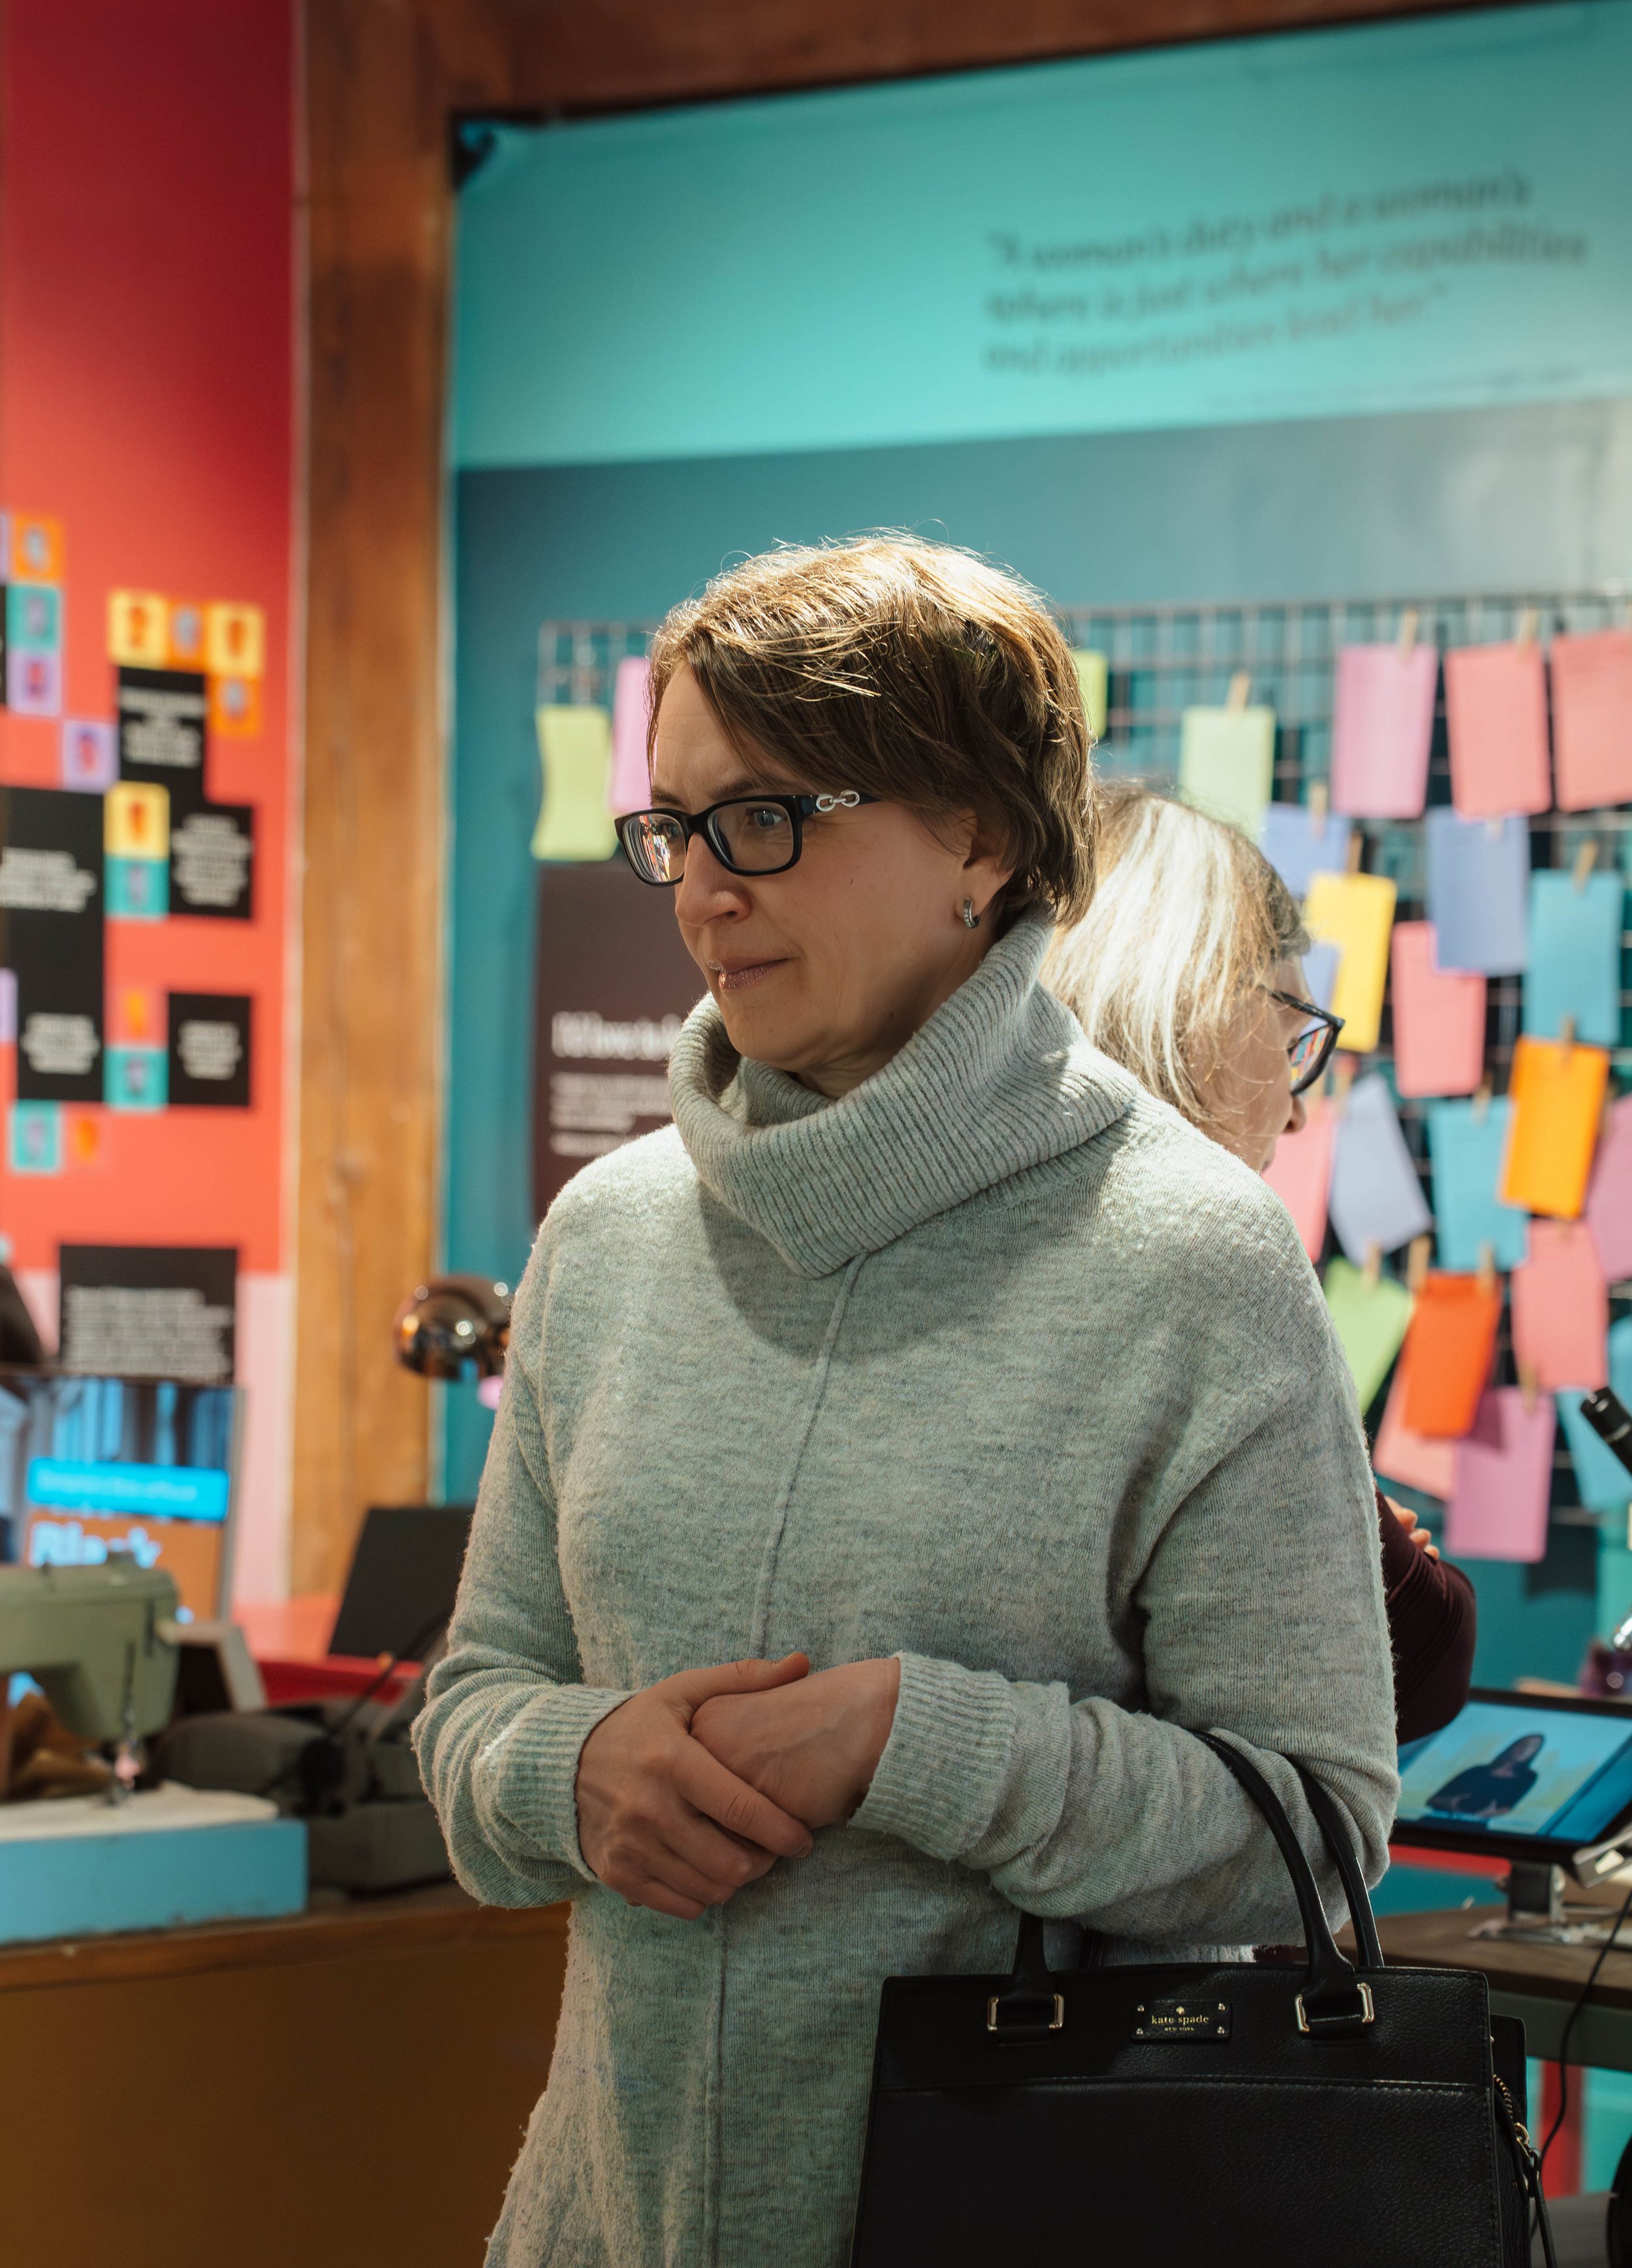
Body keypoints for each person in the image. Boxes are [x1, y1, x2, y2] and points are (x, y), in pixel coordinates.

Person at [414, 539, 1397, 2268]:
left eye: (764, 818)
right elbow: (477, 1692)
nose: (702, 891)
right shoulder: (608, 1234)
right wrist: (570, 1769)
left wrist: (911, 1744)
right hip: (608, 2220)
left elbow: (1310, 1833)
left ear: (981, 837)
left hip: (1030, 2212)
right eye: (674, 826)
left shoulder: (1189, 1259)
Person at [1043, 779, 1476, 1744]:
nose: (1296, 1108)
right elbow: (1419, 1654)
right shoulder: (1215, 1257)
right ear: (1200, 1002)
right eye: (1293, 1040)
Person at [1426, 1732, 1545, 1820]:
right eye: (1524, 1744)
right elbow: (1433, 1800)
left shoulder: (1528, 1777)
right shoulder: (1477, 1771)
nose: (1525, 1749)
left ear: (1535, 1752)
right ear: (1514, 1746)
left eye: (1533, 1746)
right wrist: (1451, 1803)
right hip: (1439, 1821)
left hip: (1474, 1828)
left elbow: (1507, 1807)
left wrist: (1488, 1813)